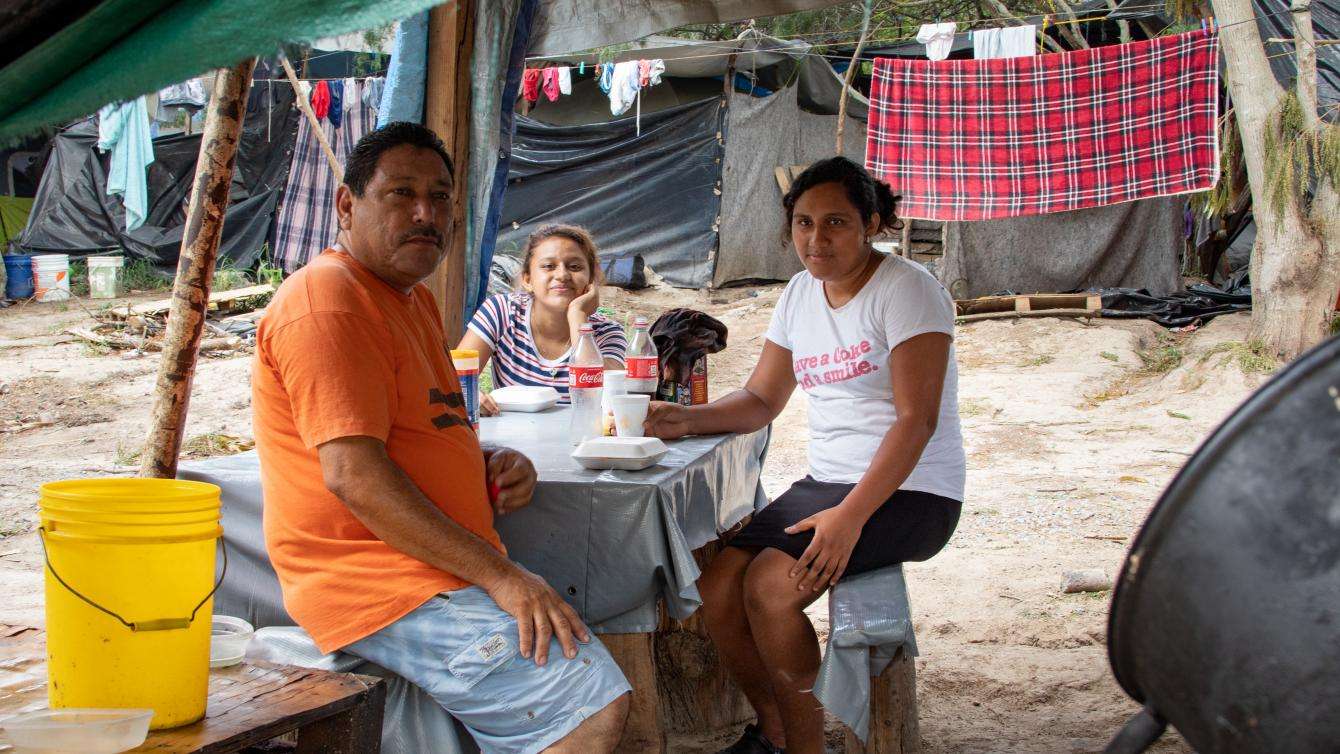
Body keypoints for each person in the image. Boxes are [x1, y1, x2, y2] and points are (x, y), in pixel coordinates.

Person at [252, 122, 630, 754]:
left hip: (434, 568)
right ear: (348, 205)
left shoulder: (408, 299)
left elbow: (414, 431)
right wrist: (503, 578)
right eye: (401, 193)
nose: (426, 213)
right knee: (586, 709)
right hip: (379, 581)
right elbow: (353, 475)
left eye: (441, 196)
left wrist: (486, 460)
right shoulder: (329, 301)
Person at [644, 156, 965, 754]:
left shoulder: (909, 291)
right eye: (803, 223)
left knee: (770, 586)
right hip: (831, 481)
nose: (817, 240)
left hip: (914, 489)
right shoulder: (799, 293)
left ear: (872, 222)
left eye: (837, 222)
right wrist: (682, 419)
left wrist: (849, 519)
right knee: (716, 588)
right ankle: (776, 730)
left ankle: (806, 745)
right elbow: (763, 397)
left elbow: (915, 421)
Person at [459, 224, 625, 416]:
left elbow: (610, 398)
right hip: (509, 441)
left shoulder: (607, 332)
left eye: (575, 267)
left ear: (591, 280)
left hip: (581, 441)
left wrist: (578, 316)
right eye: (548, 266)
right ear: (527, 280)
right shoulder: (502, 312)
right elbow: (453, 379)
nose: (562, 275)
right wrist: (469, 396)